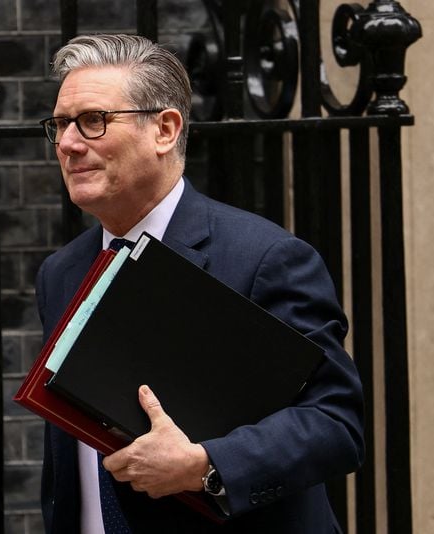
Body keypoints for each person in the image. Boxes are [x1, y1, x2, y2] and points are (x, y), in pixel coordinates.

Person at [33, 34, 364, 534]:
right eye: (60, 125)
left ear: (165, 130)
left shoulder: (265, 258)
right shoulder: (61, 272)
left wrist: (205, 464)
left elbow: (335, 423)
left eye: (93, 120)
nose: (68, 144)